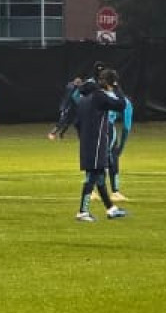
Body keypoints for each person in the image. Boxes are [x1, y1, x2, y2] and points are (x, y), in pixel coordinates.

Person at [52, 70, 128, 221]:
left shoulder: (84, 99)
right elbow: (121, 105)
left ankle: (111, 209)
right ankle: (82, 211)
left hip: (87, 142)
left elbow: (77, 123)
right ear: (108, 83)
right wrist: (117, 88)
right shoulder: (99, 96)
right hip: (97, 143)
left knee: (100, 176)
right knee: (93, 177)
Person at [105, 83, 134, 202]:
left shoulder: (100, 95)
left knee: (98, 158)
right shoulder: (126, 103)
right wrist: (121, 147)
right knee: (109, 158)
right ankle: (114, 192)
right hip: (107, 128)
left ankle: (91, 190)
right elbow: (126, 127)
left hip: (92, 128)